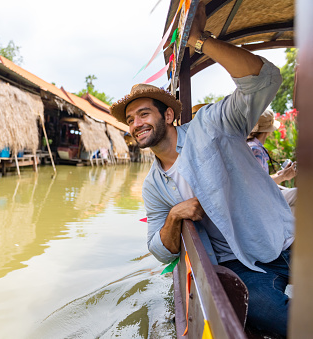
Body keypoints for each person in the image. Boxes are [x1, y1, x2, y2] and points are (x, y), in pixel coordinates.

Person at [109, 2, 292, 337]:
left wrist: (202, 40)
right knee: (280, 319)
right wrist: (174, 216)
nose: (136, 124)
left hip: (282, 236)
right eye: (131, 120)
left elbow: (265, 79)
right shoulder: (155, 185)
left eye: (144, 114)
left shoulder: (212, 124)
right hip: (239, 263)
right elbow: (159, 249)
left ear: (167, 116)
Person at [247, 109, 297, 210]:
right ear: (268, 130)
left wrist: (279, 174)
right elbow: (258, 185)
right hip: (261, 200)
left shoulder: (251, 145)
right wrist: (283, 177)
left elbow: (259, 178)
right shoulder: (256, 150)